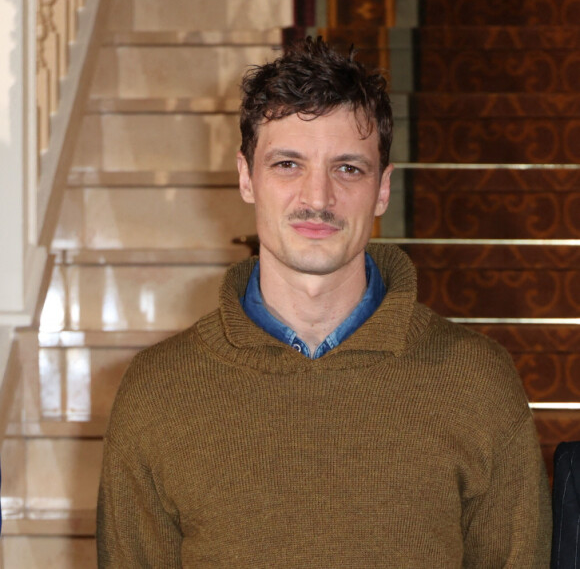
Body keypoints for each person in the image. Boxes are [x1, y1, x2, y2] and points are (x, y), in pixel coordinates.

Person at [97, 37, 551, 567]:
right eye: (288, 164)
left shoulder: (476, 381)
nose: (318, 198)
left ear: (383, 189)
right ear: (247, 177)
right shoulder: (159, 392)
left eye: (348, 169)